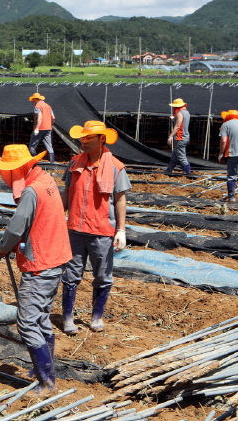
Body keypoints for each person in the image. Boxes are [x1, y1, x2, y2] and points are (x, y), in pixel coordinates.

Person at [0, 144, 72, 392]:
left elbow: (16, 227)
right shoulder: (45, 179)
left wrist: (3, 247)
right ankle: (42, 370)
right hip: (56, 258)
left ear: (18, 169)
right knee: (42, 316)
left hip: (41, 264)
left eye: (7, 171)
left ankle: (46, 382)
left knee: (26, 323)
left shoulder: (31, 191)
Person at [60, 121, 131, 335]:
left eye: (88, 139)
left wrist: (121, 229)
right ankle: (68, 318)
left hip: (101, 232)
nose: (84, 143)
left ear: (101, 139)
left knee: (102, 276)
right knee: (71, 275)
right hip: (75, 230)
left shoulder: (116, 167)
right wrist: (55, 215)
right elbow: (66, 193)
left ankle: (96, 317)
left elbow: (120, 199)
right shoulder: (74, 164)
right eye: (82, 139)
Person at [218, 109, 238, 202]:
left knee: (232, 176)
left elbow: (223, 141)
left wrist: (221, 154)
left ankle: (232, 197)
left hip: (233, 154)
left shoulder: (226, 125)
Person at [27, 93, 57, 163]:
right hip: (48, 129)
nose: (32, 102)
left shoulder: (38, 106)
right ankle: (52, 162)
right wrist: (51, 126)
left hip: (40, 129)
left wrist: (37, 128)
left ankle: (35, 161)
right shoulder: (48, 106)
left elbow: (39, 118)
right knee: (49, 145)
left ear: (35, 99)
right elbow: (53, 117)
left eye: (33, 100)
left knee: (32, 146)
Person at [166, 98, 191, 175]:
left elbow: (177, 126)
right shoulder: (186, 112)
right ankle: (169, 170)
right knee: (175, 154)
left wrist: (170, 136)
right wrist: (174, 119)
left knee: (181, 156)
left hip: (180, 137)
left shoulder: (179, 113)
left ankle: (187, 171)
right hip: (186, 136)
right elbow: (182, 124)